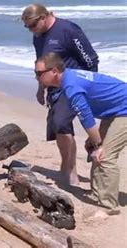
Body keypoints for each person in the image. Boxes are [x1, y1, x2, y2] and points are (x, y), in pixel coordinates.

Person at [35, 52, 126, 215]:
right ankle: (97, 194)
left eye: (39, 73)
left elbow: (85, 116)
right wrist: (95, 142)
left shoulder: (71, 86)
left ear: (54, 71)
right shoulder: (69, 78)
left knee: (105, 155)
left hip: (123, 111)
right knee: (94, 149)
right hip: (114, 111)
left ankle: (109, 206)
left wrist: (98, 144)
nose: (37, 77)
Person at [21, 3, 99, 185]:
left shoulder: (68, 30)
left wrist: (90, 86)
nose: (31, 30)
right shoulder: (38, 36)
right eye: (27, 27)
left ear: (43, 17)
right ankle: (71, 164)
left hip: (75, 84)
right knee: (58, 126)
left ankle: (70, 172)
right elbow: (40, 63)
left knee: (61, 121)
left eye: (33, 25)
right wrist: (41, 88)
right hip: (54, 87)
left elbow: (91, 59)